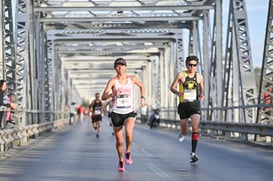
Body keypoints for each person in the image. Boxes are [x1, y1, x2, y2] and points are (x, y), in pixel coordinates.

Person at [101, 57, 146, 172]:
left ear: (126, 67)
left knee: (129, 132)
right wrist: (113, 94)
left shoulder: (132, 79)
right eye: (118, 65)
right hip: (116, 113)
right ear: (115, 68)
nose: (120, 67)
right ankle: (120, 160)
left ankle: (128, 151)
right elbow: (103, 97)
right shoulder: (113, 81)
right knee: (119, 141)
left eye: (122, 65)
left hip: (129, 112)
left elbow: (142, 86)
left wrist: (142, 98)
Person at [170, 55, 204, 163]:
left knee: (195, 127)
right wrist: (178, 93)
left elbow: (201, 88)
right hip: (183, 105)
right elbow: (172, 87)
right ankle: (183, 132)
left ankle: (193, 153)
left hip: (194, 105)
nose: (192, 67)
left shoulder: (199, 77)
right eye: (190, 65)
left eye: (194, 65)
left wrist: (202, 95)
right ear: (186, 65)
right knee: (185, 130)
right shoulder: (181, 75)